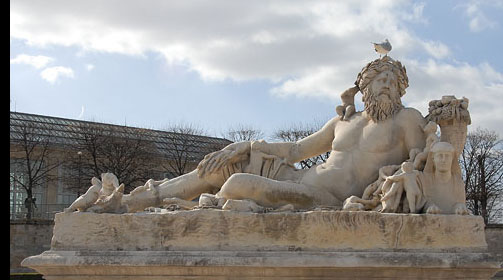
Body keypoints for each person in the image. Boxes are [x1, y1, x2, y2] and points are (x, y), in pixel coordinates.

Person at [120, 56, 429, 212]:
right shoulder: (343, 122)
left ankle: (206, 206)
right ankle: (132, 203)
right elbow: (296, 151)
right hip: (296, 179)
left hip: (328, 198)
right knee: (225, 164)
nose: (387, 85)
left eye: (393, 82)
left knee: (239, 182)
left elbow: (423, 161)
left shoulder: (407, 119)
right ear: (365, 87)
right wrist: (245, 146)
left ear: (401, 90)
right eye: (381, 80)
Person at [416, 141, 469, 215]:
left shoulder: (458, 182)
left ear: (452, 159)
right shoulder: (425, 180)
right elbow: (421, 202)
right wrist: (428, 206)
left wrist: (460, 206)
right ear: (433, 159)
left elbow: (459, 202)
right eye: (440, 156)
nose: (444, 160)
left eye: (447, 156)